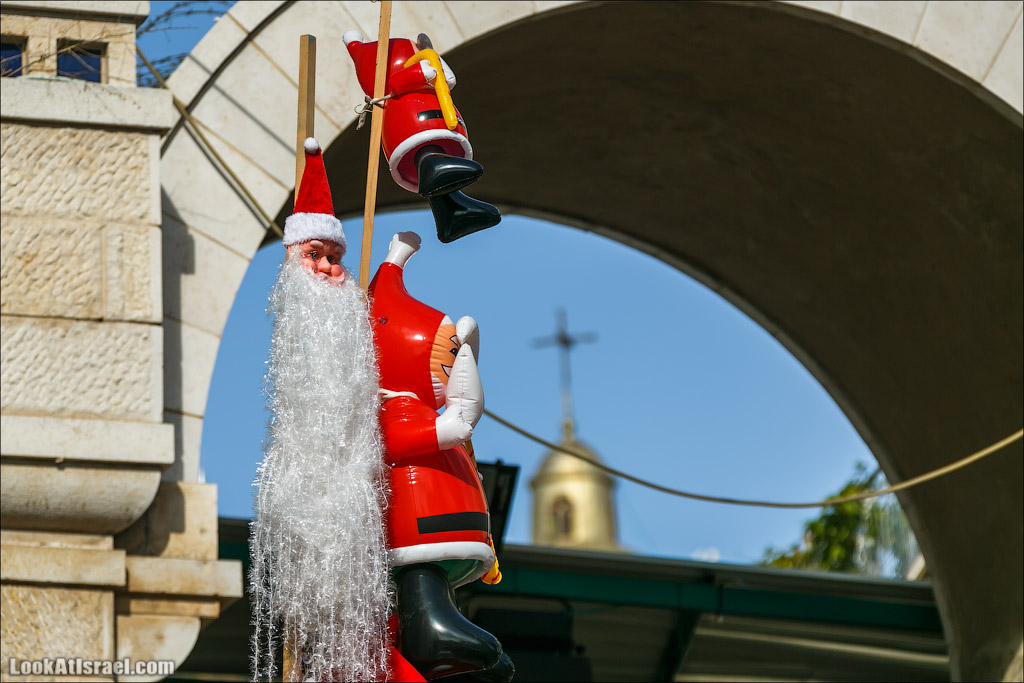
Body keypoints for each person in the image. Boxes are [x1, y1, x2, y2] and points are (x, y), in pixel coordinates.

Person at [369, 231, 513, 682]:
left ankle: (437, 631)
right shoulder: (394, 408)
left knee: (435, 577)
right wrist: (454, 412)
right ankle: (430, 630)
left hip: (434, 520)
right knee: (422, 575)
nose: (452, 365)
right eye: (446, 355)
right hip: (418, 521)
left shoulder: (413, 406)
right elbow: (428, 433)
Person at [344, 30, 501, 243]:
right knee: (428, 157)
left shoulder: (429, 85)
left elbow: (445, 79)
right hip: (414, 128)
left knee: (440, 185)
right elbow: (399, 82)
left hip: (439, 130)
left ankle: (454, 211)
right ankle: (433, 168)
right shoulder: (398, 84)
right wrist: (420, 72)